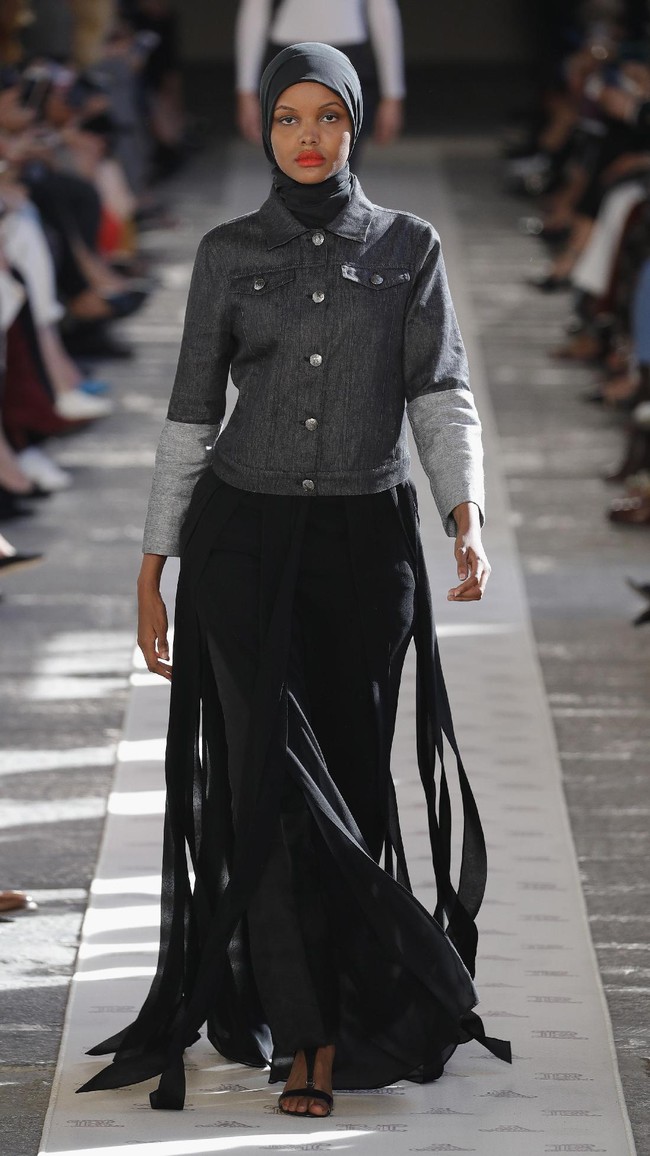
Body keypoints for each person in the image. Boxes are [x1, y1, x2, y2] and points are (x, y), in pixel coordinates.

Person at [78, 43, 511, 1117]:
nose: (308, 137)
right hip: (241, 544)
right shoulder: (227, 253)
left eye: (327, 117)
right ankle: (310, 1032)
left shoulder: (408, 248)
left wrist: (466, 517)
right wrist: (151, 569)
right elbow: (189, 413)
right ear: (263, 127)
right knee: (266, 798)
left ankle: (353, 996)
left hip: (365, 550)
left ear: (355, 125)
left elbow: (439, 392)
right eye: (287, 119)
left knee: (351, 790)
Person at [235, 0, 405, 149]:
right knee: (290, 162)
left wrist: (392, 94)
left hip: (346, 59)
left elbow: (382, 10)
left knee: (339, 163)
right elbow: (255, 8)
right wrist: (246, 90)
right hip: (290, 58)